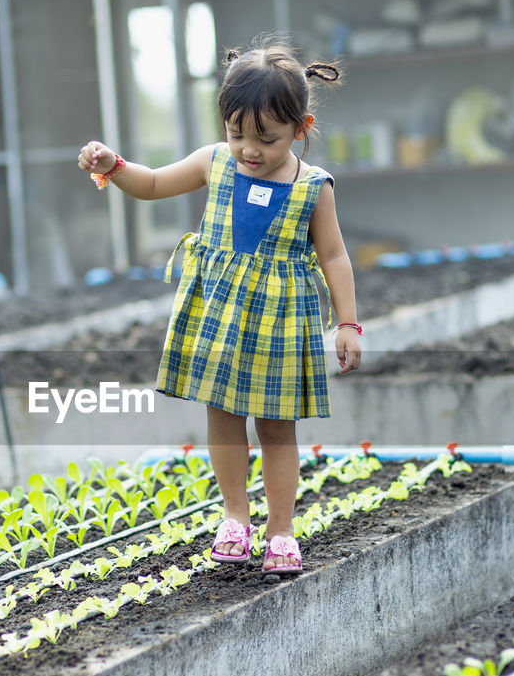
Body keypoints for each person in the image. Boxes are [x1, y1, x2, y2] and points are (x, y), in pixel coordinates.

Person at [78, 38, 361, 573]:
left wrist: (348, 324)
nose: (249, 150)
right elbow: (155, 182)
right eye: (237, 134)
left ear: (300, 128)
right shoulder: (215, 163)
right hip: (220, 315)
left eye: (267, 139)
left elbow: (335, 256)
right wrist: (114, 165)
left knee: (277, 427)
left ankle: (281, 531)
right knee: (224, 416)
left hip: (282, 321)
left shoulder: (314, 188)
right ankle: (236, 517)